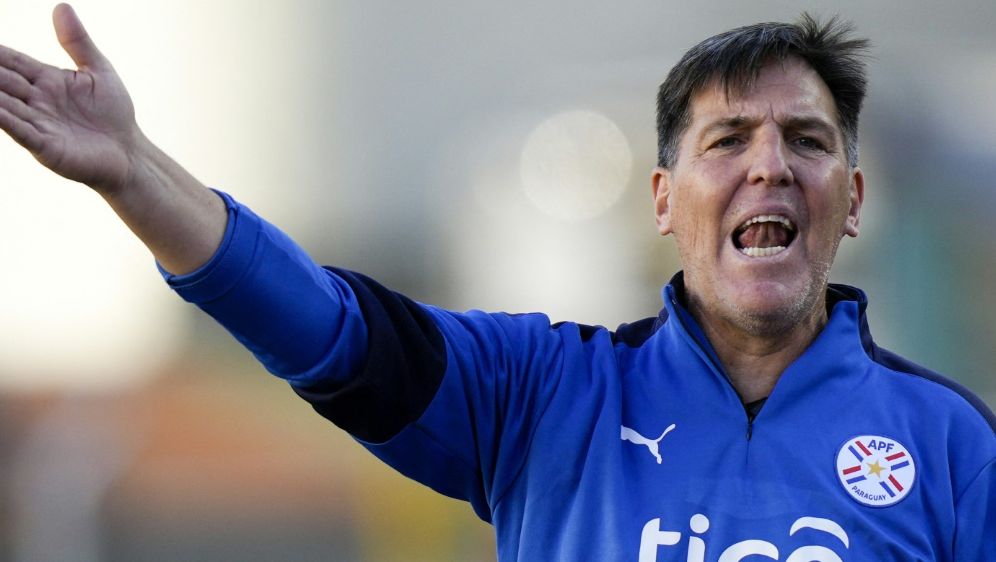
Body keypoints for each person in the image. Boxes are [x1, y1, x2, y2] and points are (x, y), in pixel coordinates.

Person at [1, 4, 993, 560]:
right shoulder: (544, 393)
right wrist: (135, 174)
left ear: (853, 199)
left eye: (807, 141)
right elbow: (325, 327)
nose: (769, 166)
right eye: (728, 140)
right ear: (662, 199)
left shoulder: (949, 444)